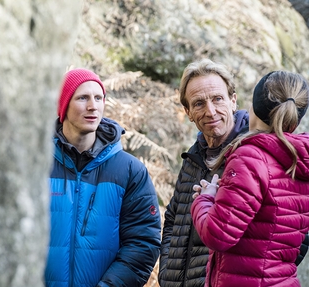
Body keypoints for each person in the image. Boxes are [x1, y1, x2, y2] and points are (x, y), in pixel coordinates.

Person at [190, 70, 309, 287]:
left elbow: (218, 235)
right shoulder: (300, 160)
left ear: (254, 107)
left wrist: (204, 199)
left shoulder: (251, 157)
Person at [44, 68, 162, 287]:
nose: (93, 106)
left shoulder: (129, 171)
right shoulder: (38, 164)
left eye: (98, 98)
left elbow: (143, 243)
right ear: (64, 107)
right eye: (82, 98)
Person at [158, 58, 250, 287]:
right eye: (199, 103)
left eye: (218, 99)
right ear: (188, 112)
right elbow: (172, 219)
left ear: (233, 101)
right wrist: (167, 271)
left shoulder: (253, 154)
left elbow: (292, 225)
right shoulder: (193, 158)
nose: (210, 111)